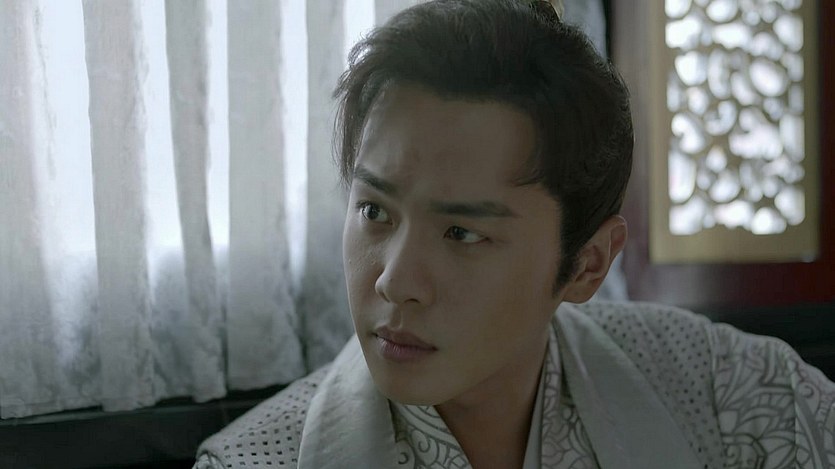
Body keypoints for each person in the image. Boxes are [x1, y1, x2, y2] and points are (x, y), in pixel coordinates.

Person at [194, 1, 835, 467]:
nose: (395, 280)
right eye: (374, 212)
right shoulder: (254, 461)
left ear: (586, 265)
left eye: (461, 232)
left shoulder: (728, 390)